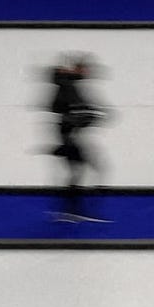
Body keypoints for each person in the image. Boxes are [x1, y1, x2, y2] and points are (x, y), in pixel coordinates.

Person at [46, 54, 107, 224]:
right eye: (85, 68)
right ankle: (73, 210)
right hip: (70, 136)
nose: (88, 72)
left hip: (70, 135)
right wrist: (89, 116)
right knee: (85, 169)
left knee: (79, 170)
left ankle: (70, 210)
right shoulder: (68, 85)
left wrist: (91, 114)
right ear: (78, 69)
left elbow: (73, 109)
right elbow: (65, 110)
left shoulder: (69, 84)